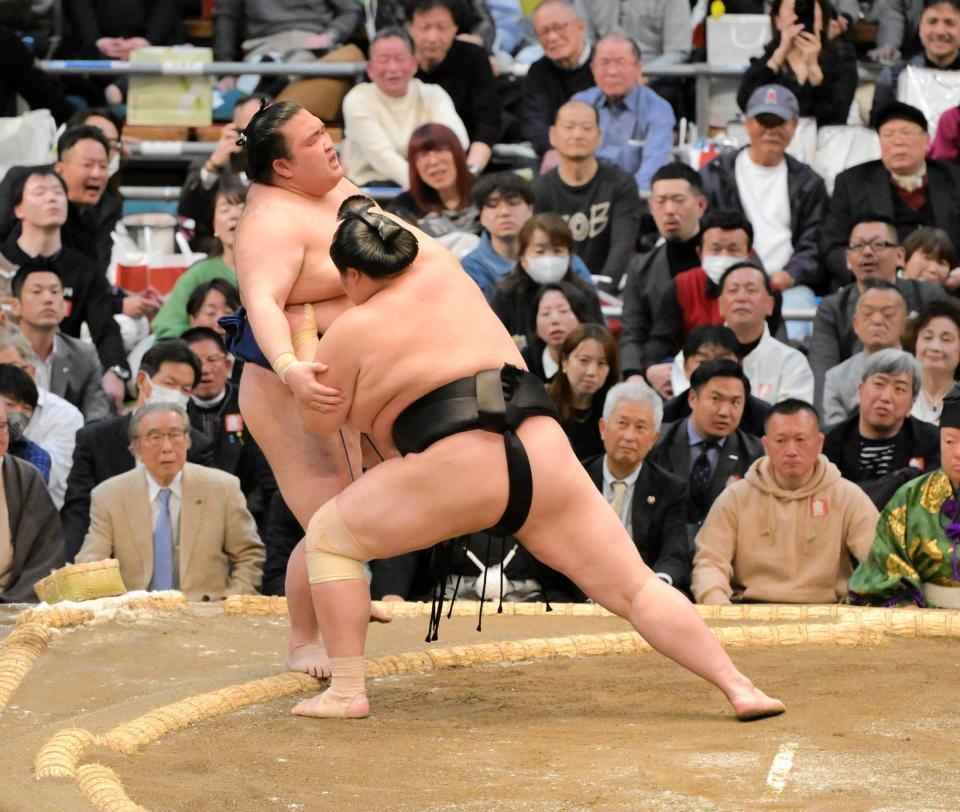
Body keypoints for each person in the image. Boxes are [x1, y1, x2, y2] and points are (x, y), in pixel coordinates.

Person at [280, 196, 783, 721]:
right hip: (542, 450)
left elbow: (319, 420)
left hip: (457, 464)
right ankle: (739, 686)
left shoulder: (353, 330)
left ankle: (346, 691)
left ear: (352, 276)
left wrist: (303, 345)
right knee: (635, 585)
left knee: (329, 539)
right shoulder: (450, 275)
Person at [692, 400, 878, 605]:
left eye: (801, 439)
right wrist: (719, 606)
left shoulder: (847, 496)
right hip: (751, 609)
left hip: (828, 612)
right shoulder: (736, 497)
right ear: (766, 445)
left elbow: (880, 560)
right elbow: (710, 563)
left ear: (819, 443)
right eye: (781, 440)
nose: (791, 450)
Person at [75, 402, 265, 600]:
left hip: (206, 611)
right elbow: (91, 560)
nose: (167, 447)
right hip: (136, 612)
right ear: (136, 446)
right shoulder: (109, 495)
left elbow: (249, 555)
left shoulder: (223, 488)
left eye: (175, 435)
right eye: (155, 437)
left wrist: (230, 601)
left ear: (187, 440)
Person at [60, 339, 215, 560]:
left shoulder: (197, 446)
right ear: (143, 380)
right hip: (108, 559)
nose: (177, 395)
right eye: (170, 384)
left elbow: (203, 515)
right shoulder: (95, 439)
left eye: (185, 389)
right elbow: (79, 509)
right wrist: (75, 565)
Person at [0, 166, 129, 408]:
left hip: (62, 380)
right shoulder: (2, 261)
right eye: (40, 192)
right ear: (18, 209)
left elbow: (105, 328)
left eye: (58, 192)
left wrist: (116, 371)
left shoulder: (85, 270)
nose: (51, 198)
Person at [700, 84, 829, 308]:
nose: (771, 131)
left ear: (794, 126)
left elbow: (814, 241)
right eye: (764, 122)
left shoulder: (809, 182)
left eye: (779, 123)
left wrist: (789, 275)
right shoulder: (715, 174)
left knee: (798, 317)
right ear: (747, 123)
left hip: (787, 285)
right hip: (723, 280)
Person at [809, 216, 946, 411]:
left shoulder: (928, 297)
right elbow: (822, 375)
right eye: (858, 246)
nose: (867, 252)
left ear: (900, 256)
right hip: (850, 409)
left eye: (878, 244)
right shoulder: (832, 308)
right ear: (848, 259)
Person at [822, 103, 960, 286]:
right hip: (875, 286)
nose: (897, 141)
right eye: (888, 135)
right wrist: (874, 276)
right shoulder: (852, 182)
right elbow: (832, 246)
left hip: (948, 283)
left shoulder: (954, 178)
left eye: (906, 132)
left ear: (927, 141)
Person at [846, 391, 960, 608]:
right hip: (922, 618)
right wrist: (905, 605)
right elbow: (883, 566)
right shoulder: (910, 497)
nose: (958, 452)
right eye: (949, 441)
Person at [587, 381, 692, 592]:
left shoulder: (671, 489)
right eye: (622, 423)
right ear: (603, 428)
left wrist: (656, 587)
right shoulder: (578, 478)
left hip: (644, 593)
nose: (629, 436)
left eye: (640, 427)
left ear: (654, 438)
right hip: (581, 592)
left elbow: (675, 553)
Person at [531, 100, 641, 293]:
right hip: (554, 292)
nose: (577, 134)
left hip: (607, 292)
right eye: (569, 127)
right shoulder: (538, 189)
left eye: (586, 127)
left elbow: (622, 245)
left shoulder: (621, 184)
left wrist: (600, 293)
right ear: (553, 135)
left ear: (599, 135)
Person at [672, 263, 815, 406]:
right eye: (733, 290)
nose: (741, 298)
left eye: (751, 290)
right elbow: (688, 411)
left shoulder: (792, 363)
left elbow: (792, 417)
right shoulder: (691, 357)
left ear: (770, 304)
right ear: (720, 305)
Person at [647, 360, 764, 532]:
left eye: (735, 402)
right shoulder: (656, 442)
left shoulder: (755, 455)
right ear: (693, 399)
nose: (724, 412)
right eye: (716, 399)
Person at [343, 28, 468, 188]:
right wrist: (423, 188)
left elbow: (457, 139)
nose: (393, 68)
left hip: (432, 181)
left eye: (400, 59)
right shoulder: (358, 99)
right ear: (370, 69)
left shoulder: (433, 94)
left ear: (414, 64)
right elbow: (382, 157)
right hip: (374, 186)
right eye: (383, 60)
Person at [619, 162, 705, 396]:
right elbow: (633, 332)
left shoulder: (724, 257)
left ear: (701, 205)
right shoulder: (641, 267)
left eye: (678, 200)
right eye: (661, 201)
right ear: (651, 207)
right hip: (659, 375)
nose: (669, 210)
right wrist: (638, 375)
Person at [183, 327, 275, 532]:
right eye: (196, 361)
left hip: (250, 516)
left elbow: (267, 475)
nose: (205, 369)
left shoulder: (251, 403)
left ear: (227, 365)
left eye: (212, 359)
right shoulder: (176, 410)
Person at [642, 209, 754, 378]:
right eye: (715, 249)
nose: (724, 257)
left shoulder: (765, 293)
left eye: (733, 250)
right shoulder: (681, 285)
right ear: (700, 253)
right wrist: (651, 368)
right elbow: (662, 340)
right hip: (691, 376)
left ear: (749, 255)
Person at [823, 349, 940, 506]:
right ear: (860, 391)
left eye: (899, 389)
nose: (885, 397)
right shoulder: (828, 442)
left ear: (911, 404)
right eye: (879, 384)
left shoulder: (933, 443)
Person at [570, 33, 675, 196]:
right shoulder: (580, 104)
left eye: (621, 62)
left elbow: (650, 173)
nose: (612, 71)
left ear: (638, 68)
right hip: (584, 196)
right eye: (604, 63)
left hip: (634, 198)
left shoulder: (658, 110)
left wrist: (620, 200)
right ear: (593, 68)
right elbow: (569, 160)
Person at [408, 0, 501, 174]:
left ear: (455, 27)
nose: (433, 37)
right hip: (406, 166)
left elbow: (487, 121)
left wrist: (470, 171)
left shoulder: (473, 57)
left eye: (441, 27)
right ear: (410, 27)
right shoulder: (396, 62)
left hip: (464, 160)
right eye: (425, 27)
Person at [10, 266, 113, 423]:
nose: (48, 299)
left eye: (55, 291)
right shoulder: (5, 353)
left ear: (65, 305)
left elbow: (96, 416)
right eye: (37, 292)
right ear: (16, 306)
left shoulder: (84, 355)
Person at [737, 0, 858, 127]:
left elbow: (837, 116)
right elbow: (745, 102)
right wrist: (778, 57)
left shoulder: (842, 58)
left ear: (822, 20)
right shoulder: (768, 63)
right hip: (776, 135)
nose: (799, 17)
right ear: (777, 20)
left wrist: (814, 69)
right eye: (793, 9)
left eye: (808, 11)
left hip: (823, 137)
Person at [0, 332, 83, 510]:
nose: (6, 377)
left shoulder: (64, 415)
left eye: (12, 368)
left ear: (31, 371)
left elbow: (44, 480)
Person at [155, 181, 247, 339]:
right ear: (215, 226)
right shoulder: (197, 275)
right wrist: (206, 340)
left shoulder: (277, 270)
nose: (234, 216)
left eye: (242, 209)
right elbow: (167, 328)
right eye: (225, 210)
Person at [488, 213, 602, 335]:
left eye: (557, 251)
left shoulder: (585, 293)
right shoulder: (506, 295)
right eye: (540, 251)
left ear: (569, 258)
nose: (549, 258)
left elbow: (598, 340)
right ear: (523, 258)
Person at [178, 95, 263, 253]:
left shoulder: (287, 165)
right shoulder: (211, 164)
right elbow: (188, 210)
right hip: (217, 253)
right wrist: (214, 165)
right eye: (248, 131)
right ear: (234, 130)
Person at [0, 400, 65, 605]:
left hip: (13, 601)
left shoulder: (27, 477)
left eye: (1, 426)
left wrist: (13, 603)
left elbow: (46, 553)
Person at [823, 280, 910, 427]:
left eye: (888, 314)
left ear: (904, 324)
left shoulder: (924, 372)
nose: (877, 320)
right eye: (868, 313)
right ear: (855, 324)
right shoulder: (837, 377)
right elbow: (835, 433)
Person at [663, 325, 773, 439]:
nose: (714, 369)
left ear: (740, 364)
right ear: (686, 368)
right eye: (703, 362)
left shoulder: (764, 417)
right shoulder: (665, 416)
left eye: (723, 360)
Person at [386, 123, 480, 256]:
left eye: (440, 150)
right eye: (423, 155)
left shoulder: (486, 193)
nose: (433, 161)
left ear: (457, 153)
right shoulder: (403, 206)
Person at [523, 0, 594, 163]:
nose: (552, 37)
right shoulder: (538, 71)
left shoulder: (602, 64)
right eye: (544, 31)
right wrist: (551, 150)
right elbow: (535, 122)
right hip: (555, 154)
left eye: (559, 27)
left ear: (580, 26)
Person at [871, 0, 960, 125]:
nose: (940, 31)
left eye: (950, 23)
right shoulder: (893, 77)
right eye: (932, 21)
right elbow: (881, 131)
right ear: (920, 27)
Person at [546, 323, 620, 461]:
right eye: (584, 361)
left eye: (601, 363)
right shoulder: (542, 403)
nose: (592, 372)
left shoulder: (614, 411)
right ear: (565, 361)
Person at [212, 0, 361, 64]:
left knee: (305, 62)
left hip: (314, 45)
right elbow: (226, 17)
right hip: (263, 47)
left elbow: (351, 10)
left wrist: (330, 36)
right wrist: (225, 71)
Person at [573, 0, 690, 71]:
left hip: (654, 76)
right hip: (601, 75)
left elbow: (677, 51)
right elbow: (585, 44)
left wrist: (640, 73)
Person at [519, 281, 592, 382]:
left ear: (582, 319)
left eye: (563, 310)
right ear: (535, 326)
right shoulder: (525, 361)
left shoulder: (596, 356)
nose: (554, 320)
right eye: (545, 313)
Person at [903, 299, 960, 423]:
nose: (935, 347)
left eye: (946, 339)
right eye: (927, 337)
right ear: (915, 343)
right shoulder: (899, 395)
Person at [0, 365, 52, 485]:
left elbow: (31, 492)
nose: (18, 414)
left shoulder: (36, 456)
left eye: (26, 408)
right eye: (10, 405)